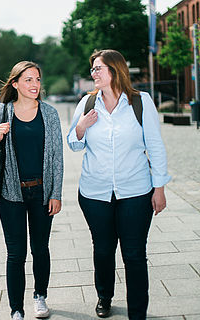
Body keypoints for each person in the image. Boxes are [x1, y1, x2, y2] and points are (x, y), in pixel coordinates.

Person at [67, 49, 171, 319]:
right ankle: (104, 296)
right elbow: (73, 143)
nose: (94, 74)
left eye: (98, 68)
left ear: (115, 70)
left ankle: (138, 311)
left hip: (136, 191)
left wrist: (159, 188)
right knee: (102, 249)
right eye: (92, 69)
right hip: (94, 192)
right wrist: (81, 126)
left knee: (134, 253)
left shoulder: (141, 102)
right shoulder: (87, 103)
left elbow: (155, 147)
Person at [0, 61, 63, 320]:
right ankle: (16, 309)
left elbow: (57, 158)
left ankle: (40, 296)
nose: (34, 85)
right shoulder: (3, 112)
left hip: (42, 193)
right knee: (15, 253)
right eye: (28, 80)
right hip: (11, 195)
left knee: (40, 249)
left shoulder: (49, 114)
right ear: (15, 83)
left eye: (37, 79)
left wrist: (56, 193)